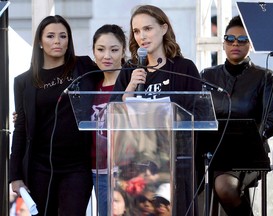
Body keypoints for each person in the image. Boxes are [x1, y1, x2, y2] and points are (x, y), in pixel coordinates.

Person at [111, 4, 202, 215]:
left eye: (148, 29)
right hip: (135, 166)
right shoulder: (129, 71)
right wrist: (131, 88)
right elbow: (112, 115)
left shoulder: (184, 68)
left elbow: (197, 113)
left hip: (175, 165)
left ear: (163, 28)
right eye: (136, 31)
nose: (142, 36)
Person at [9, 15, 99, 216]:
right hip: (39, 167)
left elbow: (113, 77)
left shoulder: (84, 67)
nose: (57, 41)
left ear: (69, 41)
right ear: (40, 42)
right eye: (50, 36)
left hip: (77, 166)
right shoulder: (23, 82)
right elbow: (21, 129)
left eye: (63, 36)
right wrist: (14, 175)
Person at [198, 15, 273, 215]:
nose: (235, 43)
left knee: (225, 186)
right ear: (223, 43)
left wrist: (254, 135)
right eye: (230, 39)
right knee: (187, 179)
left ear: (250, 45)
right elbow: (197, 112)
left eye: (242, 40)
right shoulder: (207, 75)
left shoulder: (265, 77)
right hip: (212, 151)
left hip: (249, 155)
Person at [90, 24, 126, 216]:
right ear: (93, 52)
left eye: (114, 50)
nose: (107, 56)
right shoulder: (90, 85)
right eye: (101, 49)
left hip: (125, 170)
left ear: (123, 51)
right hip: (96, 170)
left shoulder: (131, 85)